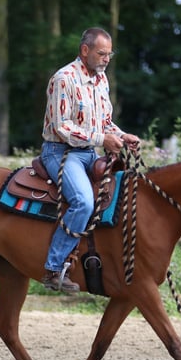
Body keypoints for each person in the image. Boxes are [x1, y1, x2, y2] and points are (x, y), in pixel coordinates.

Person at [40, 27, 141, 292]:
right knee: (84, 202)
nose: (107, 59)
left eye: (109, 54)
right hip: (61, 152)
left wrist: (121, 135)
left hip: (89, 153)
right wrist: (101, 140)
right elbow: (62, 127)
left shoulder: (101, 79)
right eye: (101, 53)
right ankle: (53, 268)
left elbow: (104, 122)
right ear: (85, 51)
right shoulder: (64, 79)